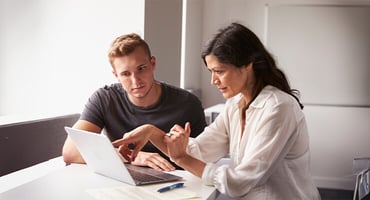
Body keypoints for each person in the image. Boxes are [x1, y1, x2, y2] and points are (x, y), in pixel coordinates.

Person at [112, 23, 321, 199]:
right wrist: (150, 131)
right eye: (211, 72)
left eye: (219, 71)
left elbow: (239, 183)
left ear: (247, 65)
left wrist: (183, 158)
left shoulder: (278, 107)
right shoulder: (236, 103)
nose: (213, 81)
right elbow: (198, 152)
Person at [62, 33, 207, 171]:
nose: (135, 81)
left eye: (141, 69)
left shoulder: (188, 103)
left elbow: (205, 161)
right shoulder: (104, 98)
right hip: (122, 178)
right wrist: (131, 157)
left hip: (175, 183)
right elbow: (70, 151)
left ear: (153, 63)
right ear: (116, 75)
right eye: (125, 74)